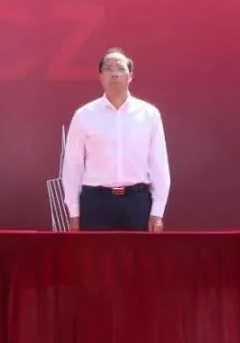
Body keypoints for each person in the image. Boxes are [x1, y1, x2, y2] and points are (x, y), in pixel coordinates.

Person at [62, 48, 170, 232]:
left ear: (130, 76)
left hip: (136, 202)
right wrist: (74, 213)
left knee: (137, 252)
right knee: (94, 252)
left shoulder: (149, 114)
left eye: (120, 68)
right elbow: (73, 165)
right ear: (101, 77)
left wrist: (157, 212)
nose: (114, 73)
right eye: (108, 68)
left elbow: (159, 164)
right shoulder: (84, 115)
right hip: (95, 202)